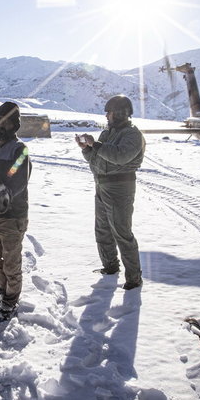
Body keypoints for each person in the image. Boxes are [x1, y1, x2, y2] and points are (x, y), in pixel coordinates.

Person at [76, 94, 145, 290]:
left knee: (122, 233)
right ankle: (110, 266)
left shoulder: (132, 134)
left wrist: (95, 145)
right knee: (102, 229)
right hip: (102, 186)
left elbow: (120, 156)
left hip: (119, 189)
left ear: (120, 113)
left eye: (110, 112)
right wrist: (86, 149)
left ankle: (133, 278)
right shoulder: (107, 133)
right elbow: (96, 159)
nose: (106, 115)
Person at [0, 102, 31, 321]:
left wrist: (1, 197)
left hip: (12, 217)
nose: (0, 125)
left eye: (6, 121)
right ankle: (4, 294)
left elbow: (17, 179)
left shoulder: (20, 150)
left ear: (15, 125)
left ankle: (10, 302)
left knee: (11, 264)